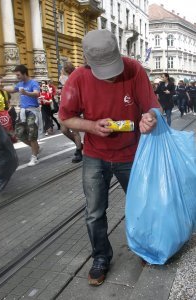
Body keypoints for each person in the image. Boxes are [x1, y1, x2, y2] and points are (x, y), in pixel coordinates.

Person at [59, 29, 160, 286]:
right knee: (94, 212)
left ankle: (145, 248)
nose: (112, 76)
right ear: (88, 61)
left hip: (130, 154)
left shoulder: (134, 69)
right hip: (95, 155)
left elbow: (152, 106)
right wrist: (92, 126)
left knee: (141, 205)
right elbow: (65, 117)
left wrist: (149, 117)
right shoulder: (78, 78)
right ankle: (101, 257)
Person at [4, 64, 41, 167]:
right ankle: (36, 148)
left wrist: (26, 93)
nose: (17, 77)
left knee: (32, 134)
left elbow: (37, 93)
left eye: (18, 75)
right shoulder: (20, 84)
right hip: (23, 112)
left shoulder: (33, 82)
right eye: (16, 75)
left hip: (32, 111)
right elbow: (13, 89)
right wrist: (1, 88)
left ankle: (34, 157)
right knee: (19, 134)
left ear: (24, 73)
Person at [59, 61, 83, 163]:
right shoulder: (65, 79)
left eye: (62, 69)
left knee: (75, 130)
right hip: (65, 107)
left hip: (73, 107)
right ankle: (80, 145)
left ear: (65, 70)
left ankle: (78, 151)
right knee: (64, 130)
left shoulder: (71, 78)